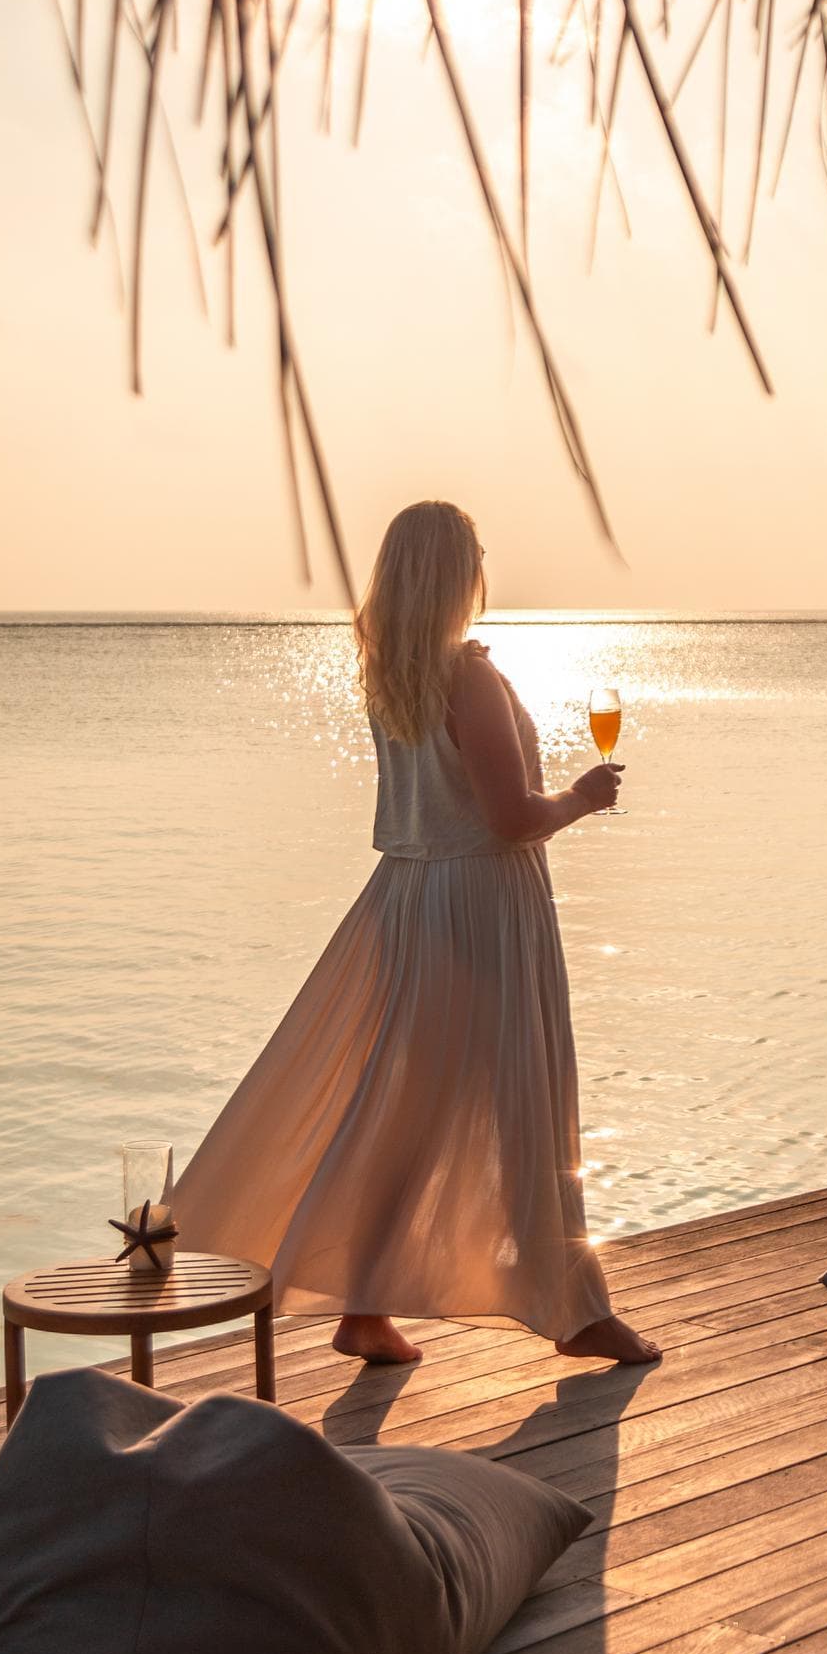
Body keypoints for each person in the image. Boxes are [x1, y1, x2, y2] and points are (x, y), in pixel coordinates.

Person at [169, 500, 658, 1367]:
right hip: (480, 900)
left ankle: (364, 1305)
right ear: (453, 571)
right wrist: (583, 797)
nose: (484, 565)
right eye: (474, 553)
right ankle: (575, 1314)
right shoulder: (465, 674)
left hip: (409, 899)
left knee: (404, 1106)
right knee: (525, 1098)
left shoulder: (393, 669)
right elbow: (509, 818)